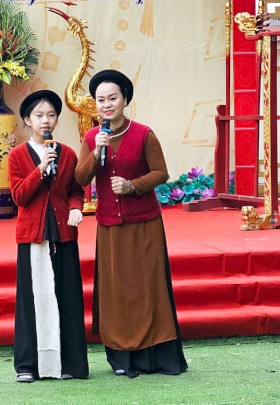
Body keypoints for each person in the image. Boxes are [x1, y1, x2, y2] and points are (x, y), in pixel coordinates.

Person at [75, 69, 188, 378]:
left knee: (148, 287)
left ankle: (157, 358)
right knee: (117, 291)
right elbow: (80, 178)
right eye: (100, 100)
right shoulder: (90, 137)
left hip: (145, 224)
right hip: (110, 226)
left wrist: (133, 185)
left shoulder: (143, 134)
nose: (106, 105)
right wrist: (97, 148)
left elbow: (161, 173)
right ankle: (123, 359)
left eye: (113, 98)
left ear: (125, 99)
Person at [8, 90, 89, 383]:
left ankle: (71, 365)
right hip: (32, 235)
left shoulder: (67, 153)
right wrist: (41, 170)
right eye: (39, 115)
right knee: (31, 300)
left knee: (67, 297)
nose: (46, 121)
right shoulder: (17, 155)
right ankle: (28, 366)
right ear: (28, 120)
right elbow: (19, 196)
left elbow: (76, 190)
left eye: (51, 115)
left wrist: (77, 209)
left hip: (63, 234)